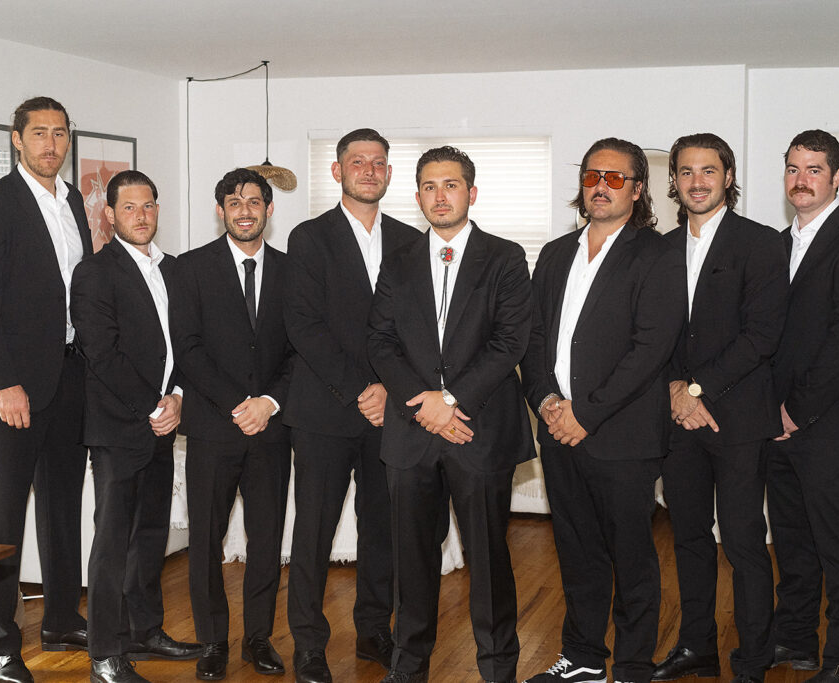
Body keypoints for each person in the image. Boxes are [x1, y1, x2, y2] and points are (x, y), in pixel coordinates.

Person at [520, 138, 686, 683]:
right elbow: (534, 338)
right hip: (558, 430)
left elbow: (651, 347)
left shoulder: (658, 253)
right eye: (593, 176)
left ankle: (634, 665)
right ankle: (585, 657)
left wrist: (586, 413)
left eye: (616, 178)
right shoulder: (554, 253)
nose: (601, 187)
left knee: (632, 555)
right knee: (576, 550)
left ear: (637, 190)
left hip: (622, 435)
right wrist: (547, 402)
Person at [368, 146, 535, 683]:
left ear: (471, 192)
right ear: (417, 196)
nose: (440, 196)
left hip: (479, 430)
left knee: (488, 561)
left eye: (451, 185)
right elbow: (381, 342)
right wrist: (426, 405)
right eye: (430, 187)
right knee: (411, 562)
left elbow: (511, 342)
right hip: (411, 432)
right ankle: (408, 666)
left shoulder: (505, 257)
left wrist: (451, 401)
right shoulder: (396, 262)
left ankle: (497, 667)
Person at [0, 96, 91, 683]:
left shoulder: (76, 203)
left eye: (60, 134)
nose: (51, 145)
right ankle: (0, 641)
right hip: (12, 387)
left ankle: (62, 618)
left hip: (70, 378)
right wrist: (3, 382)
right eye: (39, 133)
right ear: (16, 139)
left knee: (63, 508)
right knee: (4, 518)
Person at [284, 128, 419, 683]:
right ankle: (310, 644)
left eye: (379, 162)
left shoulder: (413, 241)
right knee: (313, 531)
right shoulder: (308, 237)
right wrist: (361, 387)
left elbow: (416, 329)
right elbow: (304, 326)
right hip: (324, 409)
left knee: (382, 529)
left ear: (389, 174)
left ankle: (373, 631)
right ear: (337, 172)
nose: (369, 169)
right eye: (357, 162)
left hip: (392, 411)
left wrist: (388, 388)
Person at [652, 134, 788, 683]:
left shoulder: (759, 244)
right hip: (678, 422)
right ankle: (696, 646)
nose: (697, 182)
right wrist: (672, 392)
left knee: (742, 539)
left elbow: (762, 336)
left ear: (728, 176)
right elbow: (648, 336)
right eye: (686, 172)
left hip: (737, 416)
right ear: (675, 181)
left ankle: (753, 657)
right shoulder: (659, 248)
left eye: (708, 171)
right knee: (686, 537)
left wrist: (696, 389)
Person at [70, 171, 202, 683]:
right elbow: (102, 353)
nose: (141, 216)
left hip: (164, 422)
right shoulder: (94, 274)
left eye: (148, 206)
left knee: (150, 536)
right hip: (119, 427)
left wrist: (179, 399)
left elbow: (187, 344)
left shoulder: (175, 270)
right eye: (129, 208)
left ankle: (145, 632)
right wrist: (154, 404)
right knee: (112, 542)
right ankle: (105, 651)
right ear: (109, 214)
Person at [766, 130, 839, 683]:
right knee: (790, 540)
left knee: (838, 546)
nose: (801, 180)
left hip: (828, 428)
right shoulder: (775, 244)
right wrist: (771, 412)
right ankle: (795, 639)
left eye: (814, 169)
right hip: (775, 425)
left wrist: (796, 411)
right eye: (793, 169)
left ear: (836, 176)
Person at [170, 168, 292, 681]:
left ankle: (258, 638)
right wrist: (238, 403)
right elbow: (188, 347)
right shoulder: (189, 268)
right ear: (220, 210)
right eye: (234, 201)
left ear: (269, 209)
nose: (245, 209)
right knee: (206, 542)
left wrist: (268, 402)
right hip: (214, 428)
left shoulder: (293, 271)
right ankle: (213, 640)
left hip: (272, 429)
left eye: (255, 201)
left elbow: (301, 351)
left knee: (266, 541)